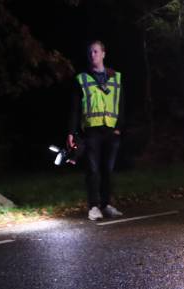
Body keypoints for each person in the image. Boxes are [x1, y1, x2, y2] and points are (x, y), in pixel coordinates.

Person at [67, 40, 124, 221]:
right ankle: (93, 206)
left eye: (96, 52)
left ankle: (106, 205)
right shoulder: (82, 79)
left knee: (108, 170)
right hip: (91, 132)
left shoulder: (116, 77)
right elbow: (75, 108)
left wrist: (119, 128)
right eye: (90, 52)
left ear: (104, 54)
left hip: (111, 131)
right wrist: (71, 131)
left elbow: (122, 105)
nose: (93, 55)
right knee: (93, 170)